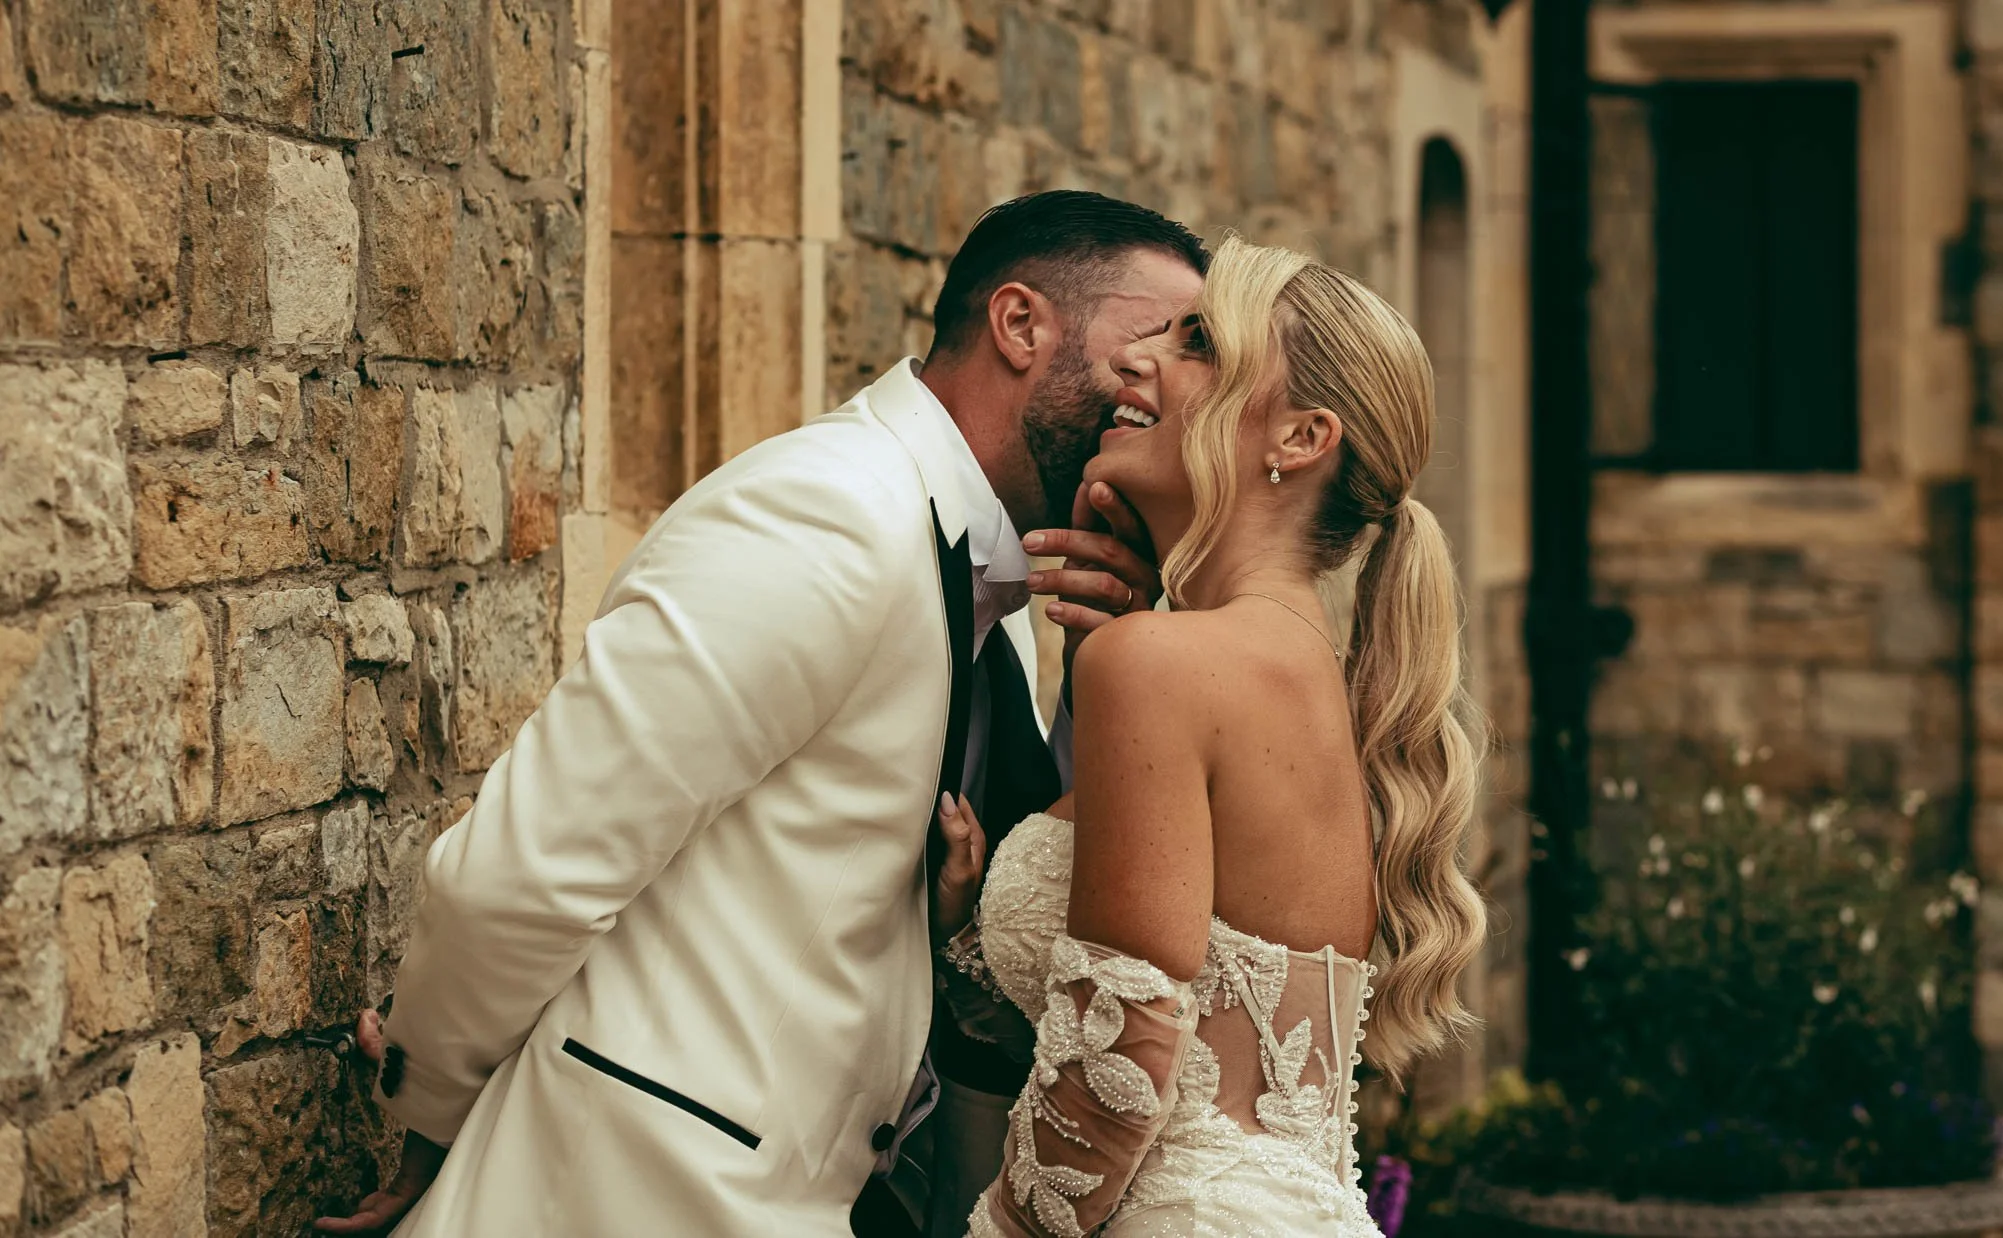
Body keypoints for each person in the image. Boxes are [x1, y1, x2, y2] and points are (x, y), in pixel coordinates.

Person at [314, 191, 1207, 1237]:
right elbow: (531, 866)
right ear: (1020, 325)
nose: (1165, 395)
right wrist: (432, 1115)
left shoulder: (1004, 594)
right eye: (1151, 351)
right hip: (625, 1193)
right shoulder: (821, 513)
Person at [929, 235, 1490, 1236]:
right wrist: (967, 919)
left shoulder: (1162, 663)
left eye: (1196, 344)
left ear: (1302, 436)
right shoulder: (1307, 674)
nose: (1135, 360)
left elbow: (1123, 1054)